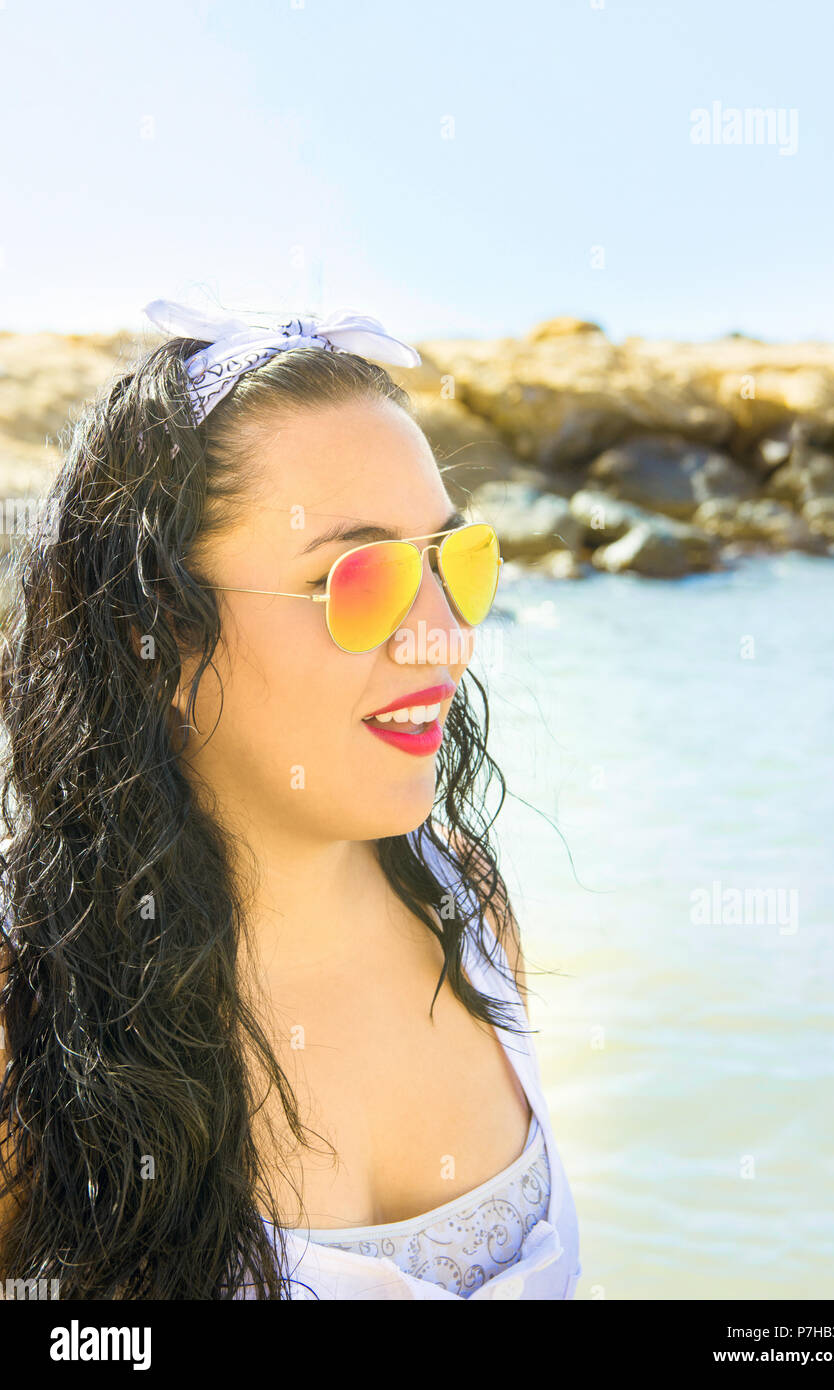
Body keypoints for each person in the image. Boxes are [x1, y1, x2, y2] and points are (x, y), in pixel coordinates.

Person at [0, 300, 580, 1299]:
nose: (441, 636)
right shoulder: (31, 1008)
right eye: (359, 581)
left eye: (454, 561)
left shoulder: (467, 910)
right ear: (160, 634)